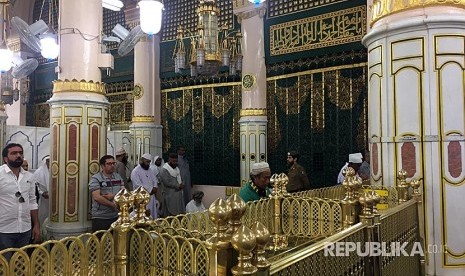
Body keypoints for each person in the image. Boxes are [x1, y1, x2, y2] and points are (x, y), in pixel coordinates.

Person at [0, 143, 39, 257]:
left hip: (25, 229)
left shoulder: (29, 176)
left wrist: (36, 225)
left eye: (20, 153)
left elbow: (32, 202)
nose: (18, 155)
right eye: (14, 153)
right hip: (4, 230)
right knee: (5, 265)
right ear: (5, 158)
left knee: (21, 264)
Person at [89, 155, 124, 232]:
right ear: (102, 166)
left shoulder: (118, 177)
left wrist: (113, 196)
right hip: (101, 217)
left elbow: (123, 193)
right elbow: (97, 197)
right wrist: (113, 205)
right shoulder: (96, 178)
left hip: (115, 216)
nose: (112, 165)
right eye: (109, 164)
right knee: (101, 241)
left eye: (113, 163)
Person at [131, 153, 158, 219]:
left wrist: (155, 187)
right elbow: (138, 185)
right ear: (141, 161)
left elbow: (154, 180)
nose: (148, 164)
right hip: (141, 199)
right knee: (143, 217)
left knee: (152, 216)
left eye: (149, 162)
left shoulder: (150, 170)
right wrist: (151, 190)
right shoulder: (135, 171)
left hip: (151, 198)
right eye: (147, 162)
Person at [32, 156, 50, 234]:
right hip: (43, 200)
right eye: (48, 161)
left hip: (55, 199)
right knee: (43, 216)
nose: (49, 163)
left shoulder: (57, 170)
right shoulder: (38, 172)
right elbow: (35, 187)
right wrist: (42, 193)